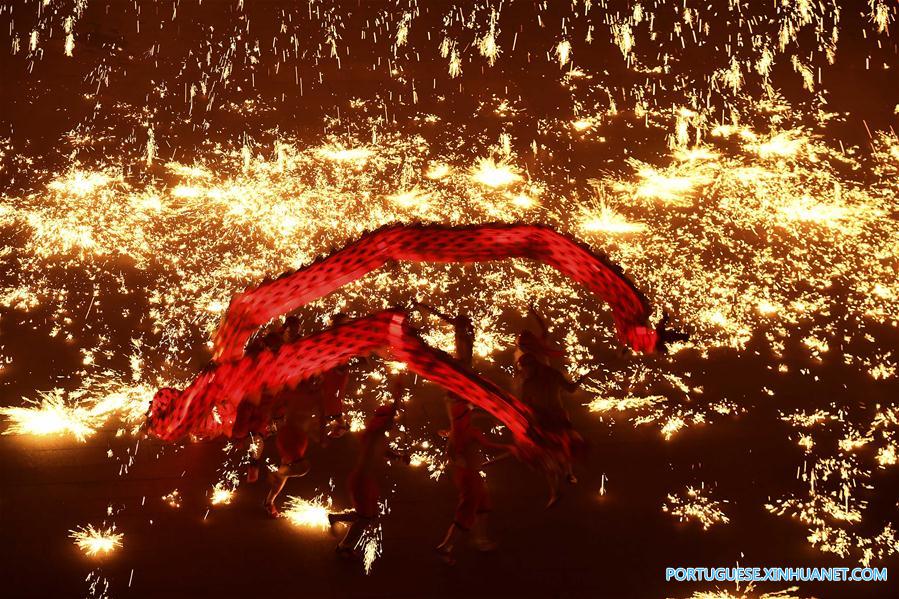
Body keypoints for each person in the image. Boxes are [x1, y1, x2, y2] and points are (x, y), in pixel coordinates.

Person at [328, 384, 408, 559]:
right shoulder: (374, 432)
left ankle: (335, 518)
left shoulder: (378, 436)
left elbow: (383, 452)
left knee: (368, 516)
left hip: (367, 480)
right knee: (365, 518)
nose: (393, 422)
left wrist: (399, 457)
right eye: (391, 419)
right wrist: (397, 398)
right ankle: (344, 547)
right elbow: (385, 423)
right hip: (360, 481)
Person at [435, 401, 512, 565]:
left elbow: (450, 456)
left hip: (463, 474)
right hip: (470, 478)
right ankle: (444, 547)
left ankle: (481, 540)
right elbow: (490, 447)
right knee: (465, 514)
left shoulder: (454, 432)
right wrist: (510, 447)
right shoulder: (472, 432)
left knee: (483, 506)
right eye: (469, 412)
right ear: (466, 416)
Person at [516, 352, 595, 507]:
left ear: (531, 366)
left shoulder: (537, 380)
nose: (524, 372)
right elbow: (571, 389)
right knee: (554, 451)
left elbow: (524, 406)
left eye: (525, 368)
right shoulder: (548, 376)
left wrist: (581, 380)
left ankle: (565, 478)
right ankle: (559, 486)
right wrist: (581, 379)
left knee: (558, 450)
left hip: (551, 419)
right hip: (549, 419)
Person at [263, 376, 322, 517]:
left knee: (288, 470)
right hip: (289, 436)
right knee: (301, 467)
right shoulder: (293, 391)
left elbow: (321, 416)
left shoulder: (316, 394)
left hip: (300, 437)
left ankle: (269, 501)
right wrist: (271, 420)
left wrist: (320, 434)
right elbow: (274, 403)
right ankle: (276, 476)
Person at [320, 312, 352, 441]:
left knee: (335, 396)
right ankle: (335, 419)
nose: (347, 324)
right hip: (329, 369)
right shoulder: (328, 335)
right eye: (345, 322)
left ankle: (340, 422)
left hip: (340, 371)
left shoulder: (348, 335)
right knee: (328, 393)